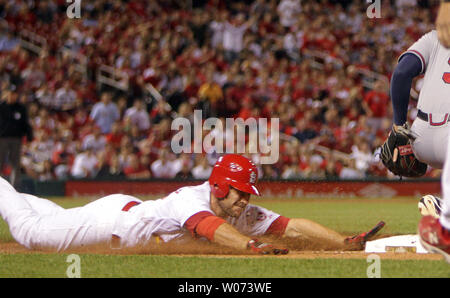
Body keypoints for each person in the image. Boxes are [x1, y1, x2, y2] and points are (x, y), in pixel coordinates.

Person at [0, 154, 378, 253]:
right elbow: (210, 229)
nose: (244, 199)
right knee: (30, 232)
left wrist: (342, 242)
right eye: (238, 192)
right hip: (110, 224)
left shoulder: (237, 208)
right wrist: (250, 246)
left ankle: (15, 194)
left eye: (247, 193)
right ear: (217, 186)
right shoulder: (191, 199)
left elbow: (289, 225)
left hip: (128, 211)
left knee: (52, 218)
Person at [0, 90, 33, 188]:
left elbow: (25, 123)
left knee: (15, 164)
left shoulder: (20, 108)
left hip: (16, 139)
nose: (12, 96)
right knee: (0, 163)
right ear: (6, 94)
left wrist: (29, 136)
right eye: (10, 94)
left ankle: (15, 189)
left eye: (14, 94)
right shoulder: (1, 107)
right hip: (2, 139)